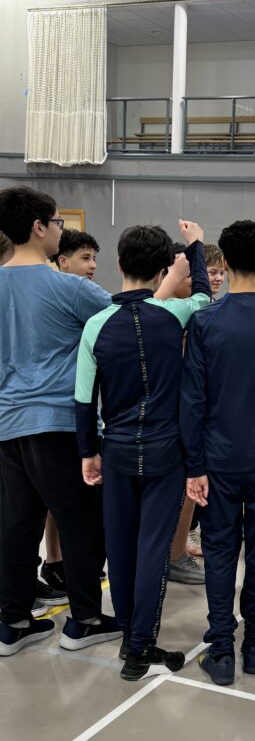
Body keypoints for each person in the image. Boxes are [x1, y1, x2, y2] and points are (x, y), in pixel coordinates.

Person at [75, 221, 211, 681]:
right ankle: (138, 647)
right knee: (153, 549)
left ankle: (131, 637)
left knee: (120, 547)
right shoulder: (175, 314)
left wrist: (87, 452)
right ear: (161, 272)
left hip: (115, 451)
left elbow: (83, 399)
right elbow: (205, 295)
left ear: (118, 265)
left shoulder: (95, 326)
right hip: (165, 454)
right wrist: (196, 246)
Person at [0, 185, 119, 656]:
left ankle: (12, 621)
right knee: (80, 522)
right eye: (57, 223)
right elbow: (128, 324)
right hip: (57, 422)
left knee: (17, 524)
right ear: (38, 227)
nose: (59, 230)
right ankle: (85, 619)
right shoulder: (70, 288)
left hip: (8, 423)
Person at [182, 220, 255, 687]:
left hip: (218, 458)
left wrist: (194, 465)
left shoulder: (205, 321)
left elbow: (192, 400)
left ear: (226, 263)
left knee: (219, 551)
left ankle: (221, 650)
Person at [38, 228, 103, 612]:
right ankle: (83, 609)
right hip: (60, 415)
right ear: (62, 261)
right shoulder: (70, 293)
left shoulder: (73, 294)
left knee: (50, 504)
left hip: (51, 415)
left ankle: (54, 563)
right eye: (84, 258)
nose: (92, 265)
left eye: (94, 258)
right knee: (67, 506)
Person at [164, 240, 207, 586]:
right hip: (170, 416)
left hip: (184, 413)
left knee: (185, 492)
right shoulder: (168, 312)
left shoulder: (192, 314)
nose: (196, 281)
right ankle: (174, 555)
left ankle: (176, 551)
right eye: (189, 274)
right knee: (180, 491)